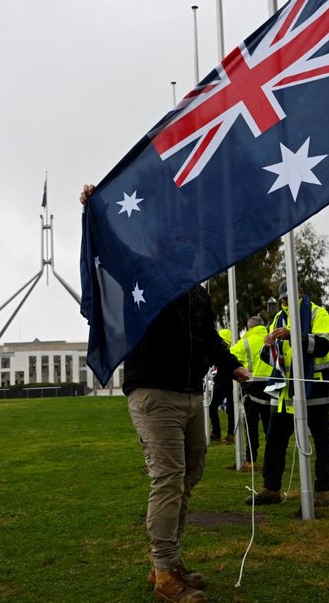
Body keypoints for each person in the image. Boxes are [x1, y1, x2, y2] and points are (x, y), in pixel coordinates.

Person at [80, 184, 250, 603]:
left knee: (188, 477)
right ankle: (164, 570)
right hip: (154, 393)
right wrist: (96, 210)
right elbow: (115, 255)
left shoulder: (197, 291)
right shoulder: (146, 277)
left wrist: (233, 366)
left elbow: (208, 337)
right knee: (169, 478)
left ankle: (169, 564)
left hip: (192, 394)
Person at [246, 280, 329, 509]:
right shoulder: (277, 319)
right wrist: (268, 346)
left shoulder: (318, 313)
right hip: (284, 392)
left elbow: (324, 345)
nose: (287, 301)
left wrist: (292, 335)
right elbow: (269, 356)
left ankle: (322, 490)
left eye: (291, 296)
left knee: (321, 441)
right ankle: (271, 488)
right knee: (274, 439)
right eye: (284, 298)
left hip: (314, 389)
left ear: (301, 292)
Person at [229, 316, 274, 469]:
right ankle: (272, 460)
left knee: (251, 426)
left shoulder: (245, 342)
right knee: (270, 425)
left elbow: (228, 359)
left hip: (251, 386)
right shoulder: (271, 339)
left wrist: (237, 376)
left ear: (249, 328)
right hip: (272, 385)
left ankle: (251, 460)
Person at [208, 329, 235, 444]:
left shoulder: (229, 353)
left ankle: (230, 434)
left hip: (229, 383)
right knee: (213, 407)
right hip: (221, 383)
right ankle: (217, 433)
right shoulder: (220, 352)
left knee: (230, 410)